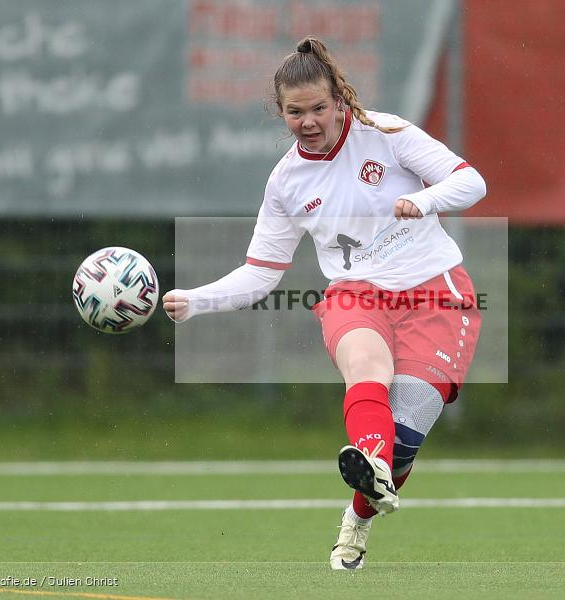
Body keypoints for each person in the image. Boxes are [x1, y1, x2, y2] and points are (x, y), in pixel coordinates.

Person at [163, 36, 486, 570]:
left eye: (317, 108)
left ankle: (358, 517)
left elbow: (471, 181)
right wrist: (197, 300)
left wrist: (422, 200)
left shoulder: (386, 134)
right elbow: (261, 273)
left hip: (435, 292)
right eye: (295, 113)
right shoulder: (286, 182)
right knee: (366, 365)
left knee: (405, 439)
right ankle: (373, 463)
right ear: (281, 113)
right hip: (355, 294)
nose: (308, 121)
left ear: (339, 100)